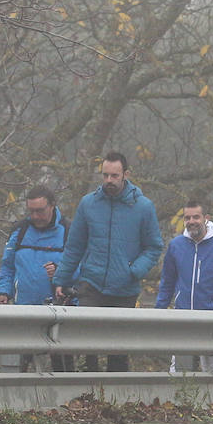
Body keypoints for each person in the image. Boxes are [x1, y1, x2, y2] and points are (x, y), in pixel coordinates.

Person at [53, 151, 163, 372]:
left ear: (126, 175)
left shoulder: (143, 207)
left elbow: (154, 247)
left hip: (125, 289)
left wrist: (134, 271)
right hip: (91, 284)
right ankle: (86, 398)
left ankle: (117, 399)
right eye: (105, 176)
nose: (109, 181)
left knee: (118, 353)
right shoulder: (88, 204)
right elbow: (74, 246)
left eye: (114, 176)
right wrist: (61, 280)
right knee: (87, 346)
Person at [155, 198, 213, 373]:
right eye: (187, 218)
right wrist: (159, 311)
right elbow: (167, 282)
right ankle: (178, 401)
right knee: (179, 373)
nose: (191, 222)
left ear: (206, 218)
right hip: (182, 318)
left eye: (195, 217)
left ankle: (212, 400)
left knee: (211, 374)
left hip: (212, 319)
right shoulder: (176, 246)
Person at [0, 185, 74, 372]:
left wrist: (60, 273)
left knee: (62, 368)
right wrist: (3, 291)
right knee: (19, 368)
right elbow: (7, 266)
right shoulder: (19, 231)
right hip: (24, 311)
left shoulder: (69, 231)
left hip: (59, 312)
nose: (35, 216)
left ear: (53, 206)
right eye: (31, 211)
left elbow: (81, 269)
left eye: (40, 211)